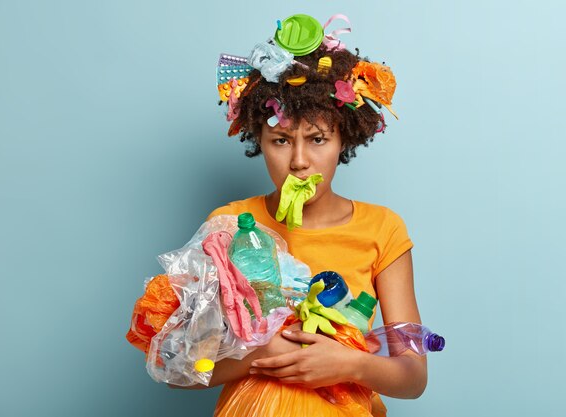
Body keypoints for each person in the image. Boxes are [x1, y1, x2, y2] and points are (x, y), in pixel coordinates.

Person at [176, 14, 428, 416]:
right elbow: (182, 368)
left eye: (317, 139)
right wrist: (263, 349)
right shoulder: (229, 224)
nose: (298, 161)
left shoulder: (384, 229)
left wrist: (352, 363)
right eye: (280, 140)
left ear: (344, 136)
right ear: (259, 138)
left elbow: (414, 378)